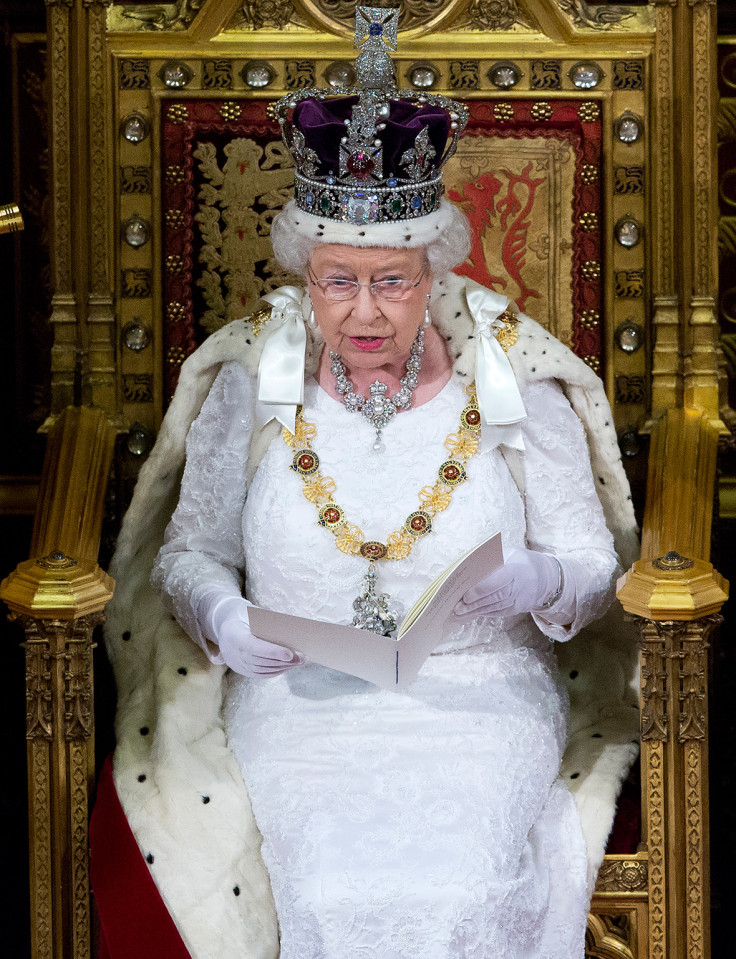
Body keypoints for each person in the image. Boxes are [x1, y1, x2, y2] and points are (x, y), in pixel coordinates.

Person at [98, 8, 640, 959]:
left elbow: (593, 564)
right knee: (333, 878)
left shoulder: (514, 378)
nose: (362, 310)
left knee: (467, 875)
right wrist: (223, 619)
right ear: (306, 275)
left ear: (434, 271)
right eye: (337, 280)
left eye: (390, 282)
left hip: (482, 697)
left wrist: (540, 583)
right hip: (298, 705)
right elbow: (188, 554)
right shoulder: (250, 378)